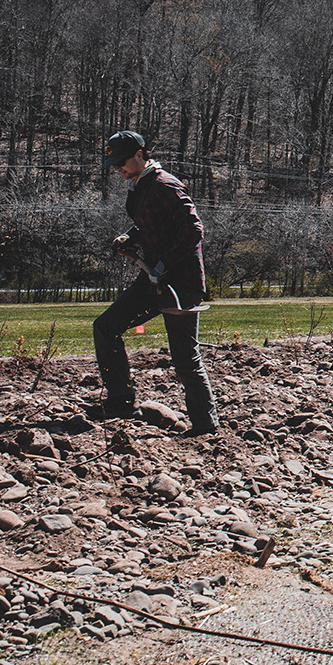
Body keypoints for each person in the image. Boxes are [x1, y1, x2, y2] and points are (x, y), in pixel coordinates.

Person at [91, 131, 219, 436]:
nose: (116, 168)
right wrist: (130, 237)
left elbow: (193, 229)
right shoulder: (141, 186)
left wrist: (164, 265)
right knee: (105, 327)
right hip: (152, 280)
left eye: (120, 161)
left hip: (180, 285)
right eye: (112, 163)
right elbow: (149, 223)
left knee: (184, 358)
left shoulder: (165, 185)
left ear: (139, 154)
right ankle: (121, 401)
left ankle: (205, 426)